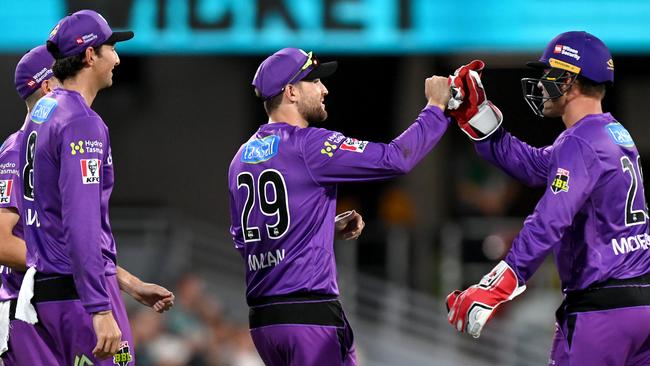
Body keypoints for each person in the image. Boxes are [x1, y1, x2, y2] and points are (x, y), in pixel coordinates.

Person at [228, 47, 452, 365]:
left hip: (265, 322)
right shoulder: (309, 144)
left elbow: (247, 239)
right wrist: (435, 106)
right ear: (291, 92)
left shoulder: (240, 159)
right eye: (314, 81)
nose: (324, 89)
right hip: (310, 315)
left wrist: (320, 228)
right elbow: (395, 159)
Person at [446, 31, 650, 365]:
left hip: (602, 311)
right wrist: (477, 117)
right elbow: (534, 166)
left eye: (547, 74)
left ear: (567, 79)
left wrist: (494, 287)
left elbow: (548, 220)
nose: (541, 84)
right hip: (641, 305)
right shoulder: (613, 133)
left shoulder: (580, 142)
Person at [15, 10, 174, 365]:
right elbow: (79, 220)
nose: (117, 58)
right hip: (79, 295)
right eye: (111, 48)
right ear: (90, 55)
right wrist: (99, 308)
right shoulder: (81, 122)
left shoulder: (42, 115)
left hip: (46, 291)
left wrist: (129, 283)